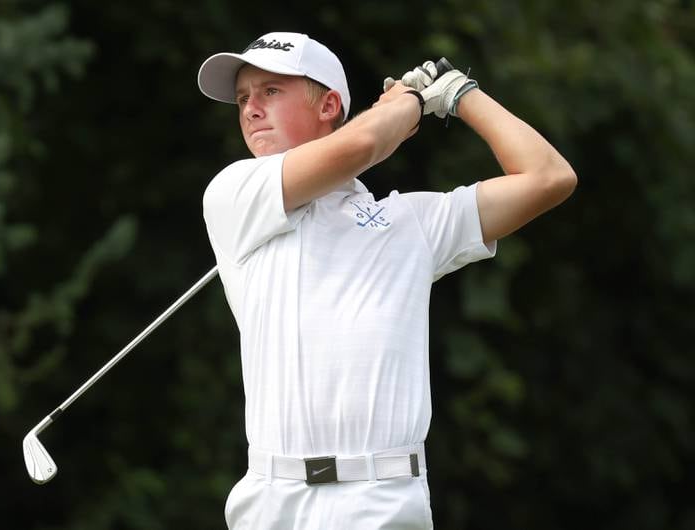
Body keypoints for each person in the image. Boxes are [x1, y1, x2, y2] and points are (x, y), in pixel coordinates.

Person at [197, 31, 576, 529]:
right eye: (244, 98)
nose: (250, 109)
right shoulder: (234, 193)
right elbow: (362, 143)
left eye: (271, 91)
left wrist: (461, 94)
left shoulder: (409, 222)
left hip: (382, 503)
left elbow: (549, 177)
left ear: (329, 104)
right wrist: (411, 103)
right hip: (272, 502)